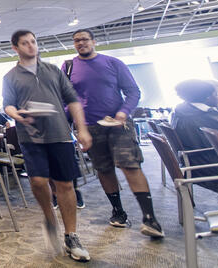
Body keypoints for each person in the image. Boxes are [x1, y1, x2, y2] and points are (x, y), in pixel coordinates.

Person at [62, 29, 164, 238]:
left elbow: (133, 91)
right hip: (89, 127)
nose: (80, 43)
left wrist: (123, 112)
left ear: (93, 41)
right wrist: (70, 122)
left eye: (84, 39)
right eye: (76, 41)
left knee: (130, 165)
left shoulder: (112, 63)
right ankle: (118, 211)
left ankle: (149, 217)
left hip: (118, 125)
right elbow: (66, 98)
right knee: (104, 169)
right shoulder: (69, 67)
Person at [3, 30, 92, 262]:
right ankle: (49, 217)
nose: (31, 46)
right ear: (16, 48)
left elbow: (72, 100)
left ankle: (71, 235)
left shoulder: (53, 70)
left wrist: (81, 129)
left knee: (65, 184)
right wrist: (17, 115)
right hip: (30, 137)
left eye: (33, 41)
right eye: (25, 43)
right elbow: (8, 106)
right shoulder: (11, 76)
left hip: (60, 134)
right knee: (39, 181)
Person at [171, 79, 218, 204]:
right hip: (212, 165)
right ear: (208, 96)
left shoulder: (180, 112)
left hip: (194, 161)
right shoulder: (205, 116)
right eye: (217, 94)